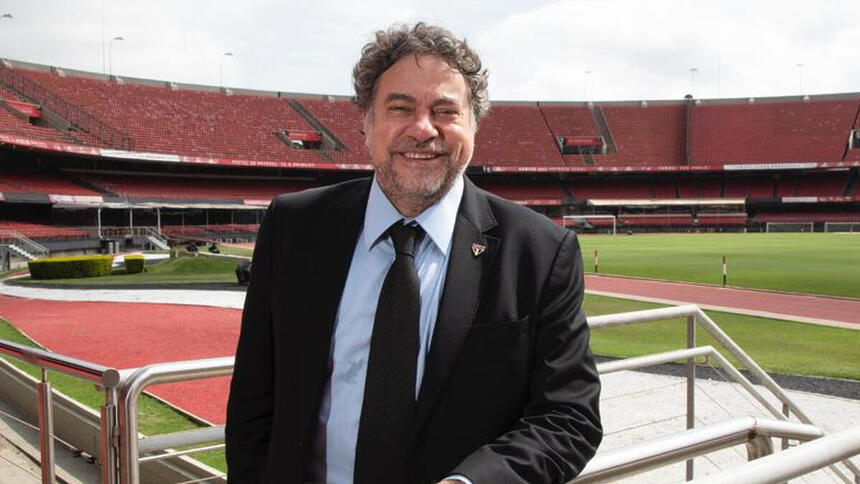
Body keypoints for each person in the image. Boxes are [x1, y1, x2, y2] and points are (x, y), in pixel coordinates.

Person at [225, 22, 602, 484]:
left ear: (474, 125)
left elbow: (569, 417)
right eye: (400, 108)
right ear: (365, 121)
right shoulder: (294, 227)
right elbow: (253, 399)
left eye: (446, 110)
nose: (423, 130)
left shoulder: (540, 252)